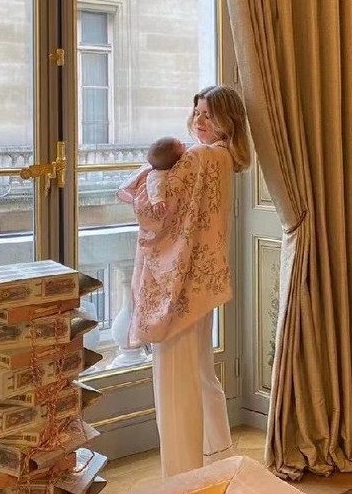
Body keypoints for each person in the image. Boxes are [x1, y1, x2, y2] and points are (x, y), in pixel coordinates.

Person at [118, 85, 251, 478]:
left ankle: (181, 476)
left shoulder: (199, 157)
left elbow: (155, 211)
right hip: (202, 282)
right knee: (201, 372)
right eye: (196, 112)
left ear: (227, 120)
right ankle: (217, 459)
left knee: (174, 382)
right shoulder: (223, 158)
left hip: (179, 283)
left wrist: (151, 173)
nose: (199, 120)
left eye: (208, 114)